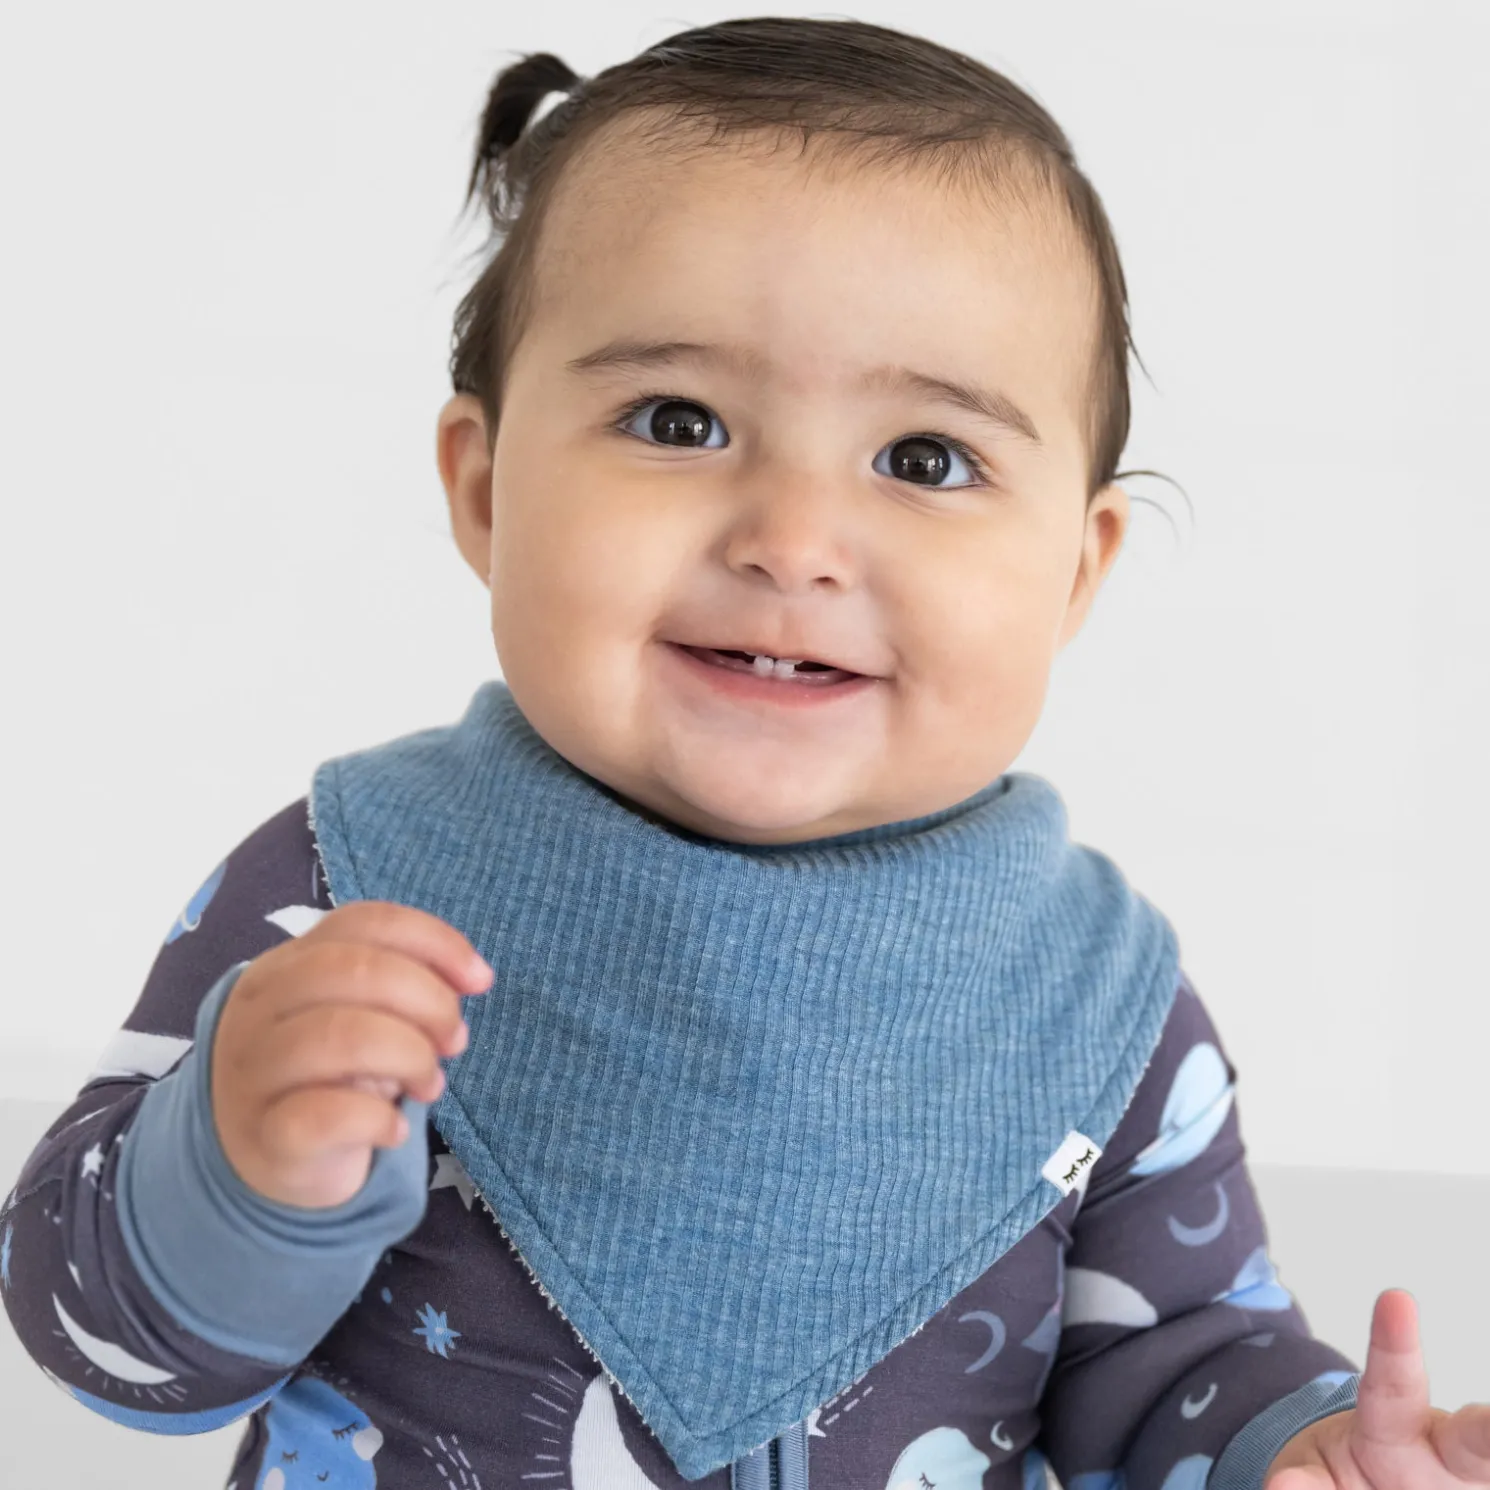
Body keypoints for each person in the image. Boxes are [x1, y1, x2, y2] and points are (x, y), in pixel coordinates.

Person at [3, 17, 1482, 1490]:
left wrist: (1298, 1444)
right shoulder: (347, 890)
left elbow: (1168, 1362)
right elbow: (106, 1353)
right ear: (484, 489)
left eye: (923, 459)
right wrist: (234, 1172)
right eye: (677, 418)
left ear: (1076, 570)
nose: (788, 539)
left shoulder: (1097, 997)